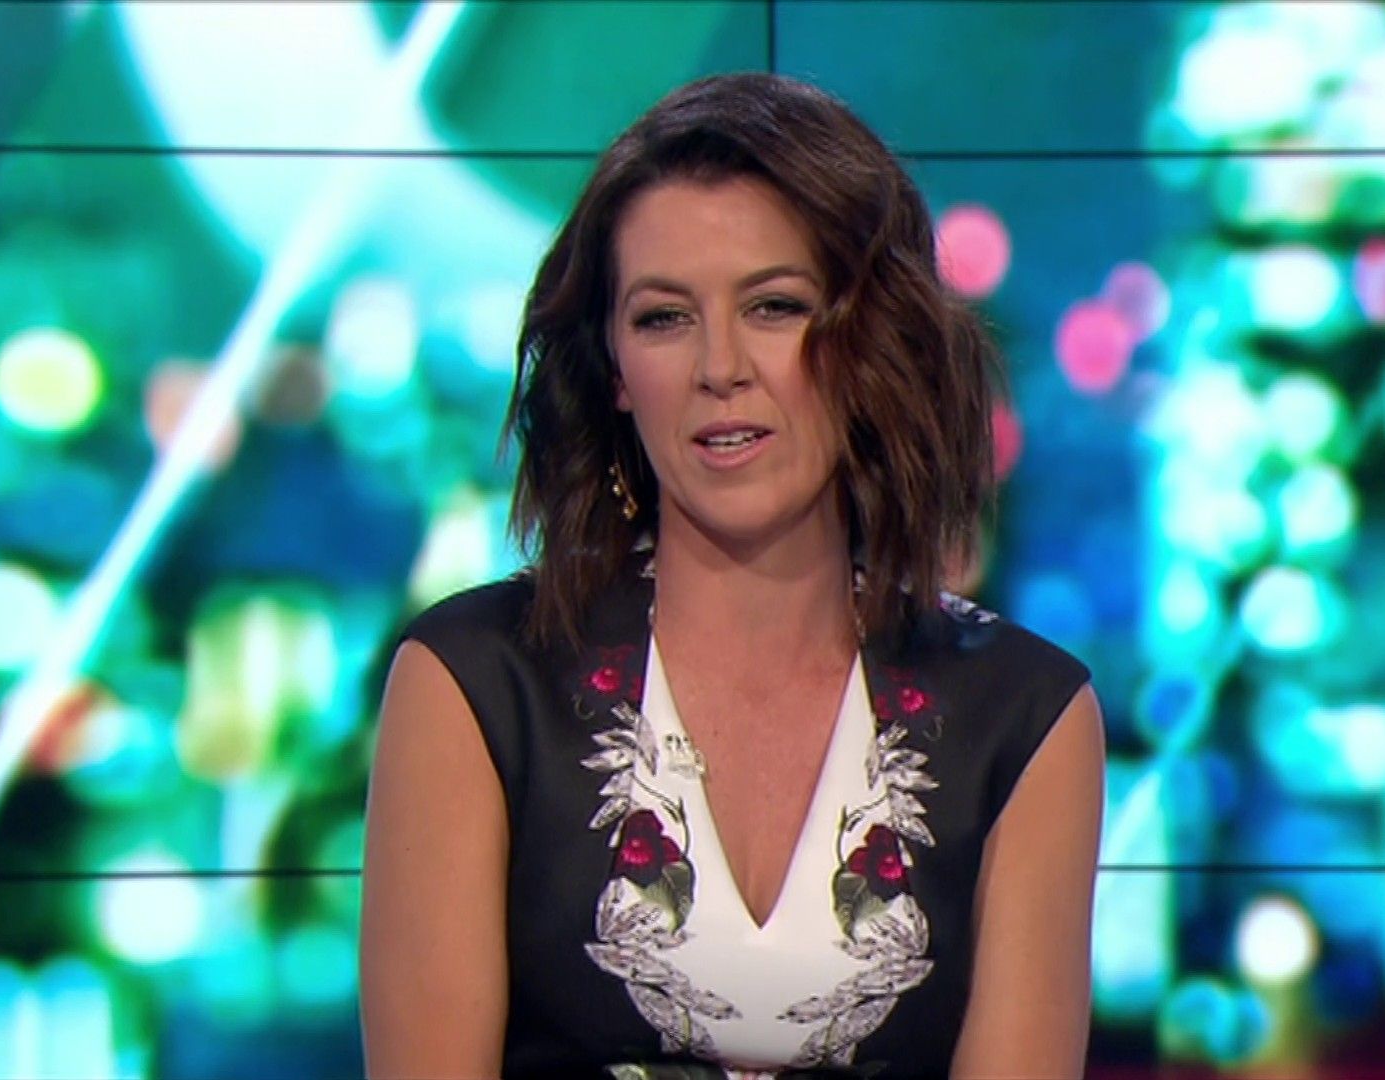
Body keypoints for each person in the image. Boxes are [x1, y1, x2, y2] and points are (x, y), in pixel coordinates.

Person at [360, 72, 1104, 1079]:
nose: (721, 367)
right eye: (664, 318)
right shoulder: (475, 685)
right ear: (615, 370)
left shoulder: (1023, 716)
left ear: (868, 341)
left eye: (775, 307)